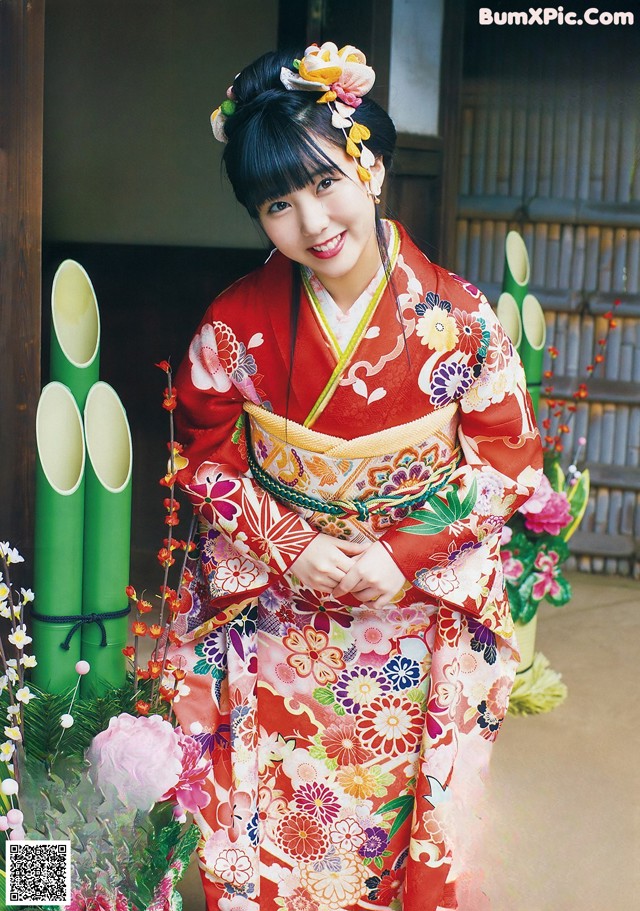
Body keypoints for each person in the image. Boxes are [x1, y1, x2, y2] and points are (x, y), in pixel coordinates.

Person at [168, 41, 543, 911]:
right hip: (282, 613)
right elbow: (204, 450)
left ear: (369, 163)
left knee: (397, 826)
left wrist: (405, 552)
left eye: (326, 181)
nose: (312, 220)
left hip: (407, 615)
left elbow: (507, 456)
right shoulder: (233, 325)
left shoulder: (460, 317)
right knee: (277, 819)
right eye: (277, 204)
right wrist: (288, 542)